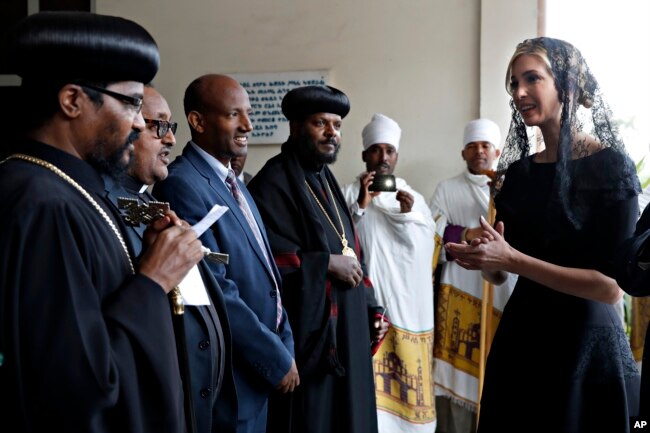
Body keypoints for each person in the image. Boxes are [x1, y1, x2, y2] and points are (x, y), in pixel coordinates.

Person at [0, 11, 206, 433]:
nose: (138, 122)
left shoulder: (73, 188)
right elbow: (73, 388)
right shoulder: (41, 203)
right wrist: (153, 281)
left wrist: (149, 257)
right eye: (131, 102)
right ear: (72, 100)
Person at [445, 37, 640, 432]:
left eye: (531, 79)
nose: (519, 92)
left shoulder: (610, 167)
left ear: (566, 85)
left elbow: (609, 289)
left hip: (586, 348)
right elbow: (502, 272)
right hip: (523, 342)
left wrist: (512, 260)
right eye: (514, 82)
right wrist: (488, 258)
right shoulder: (518, 176)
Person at [153, 73, 298, 433]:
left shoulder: (231, 181)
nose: (247, 125)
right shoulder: (183, 183)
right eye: (234, 115)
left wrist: (285, 342)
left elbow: (266, 273)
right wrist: (273, 356)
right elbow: (214, 287)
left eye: (247, 113)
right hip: (232, 376)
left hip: (258, 373)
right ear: (198, 121)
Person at [247, 85, 390, 433]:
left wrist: (371, 309)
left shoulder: (324, 178)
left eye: (337, 125)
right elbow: (265, 263)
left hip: (349, 332)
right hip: (313, 345)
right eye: (320, 123)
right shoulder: (273, 181)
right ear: (296, 127)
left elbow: (350, 248)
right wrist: (323, 264)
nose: (331, 133)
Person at [102, 84, 237, 433]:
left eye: (171, 128)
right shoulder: (100, 211)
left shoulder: (149, 204)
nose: (170, 140)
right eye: (158, 126)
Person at [341, 113, 437, 433]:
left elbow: (426, 251)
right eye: (377, 150)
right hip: (368, 307)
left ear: (396, 155)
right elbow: (341, 244)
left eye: (390, 151)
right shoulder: (346, 195)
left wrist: (409, 216)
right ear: (365, 154)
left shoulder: (414, 199)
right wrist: (361, 206)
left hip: (407, 310)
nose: (383, 158)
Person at [428, 118, 516, 433]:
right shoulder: (447, 188)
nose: (479, 151)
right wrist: (467, 232)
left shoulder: (515, 187)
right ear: (463, 153)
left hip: (503, 291)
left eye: (486, 146)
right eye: (473, 146)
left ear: (498, 151)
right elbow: (432, 232)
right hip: (461, 288)